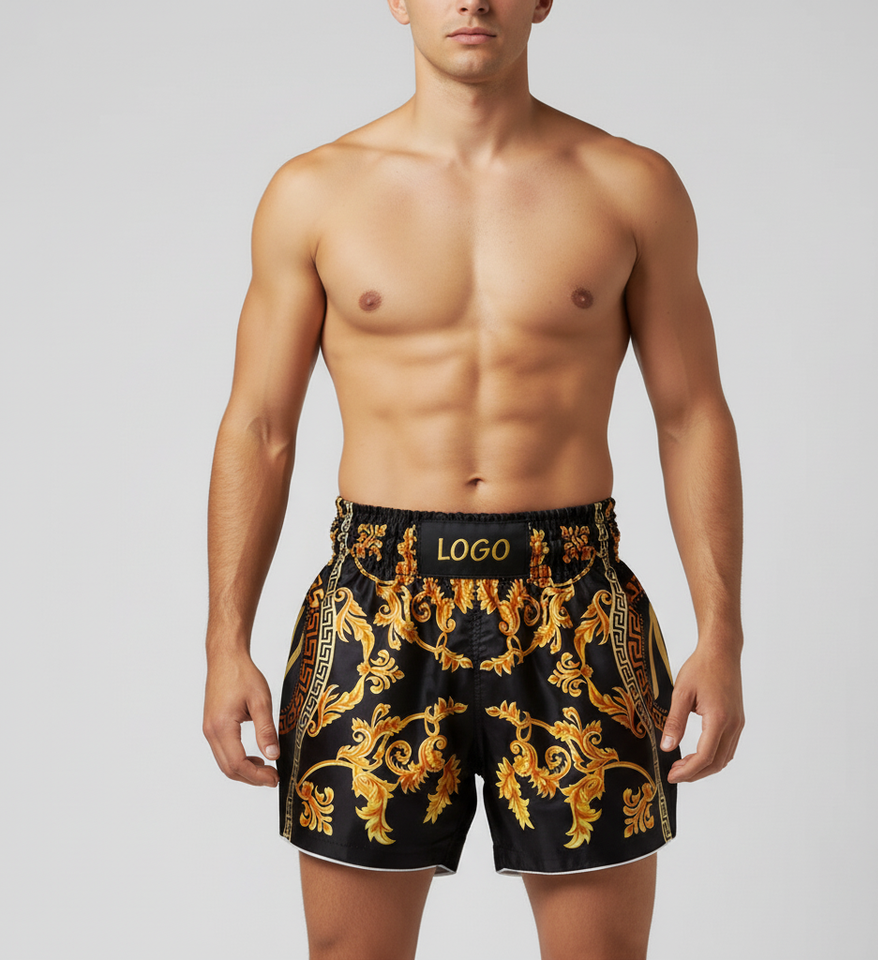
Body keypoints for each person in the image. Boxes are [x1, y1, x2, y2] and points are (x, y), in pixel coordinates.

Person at [202, 1, 745, 957]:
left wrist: (723, 632)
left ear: (542, 1)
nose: (473, 1)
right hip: (376, 599)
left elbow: (690, 414)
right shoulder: (316, 191)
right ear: (397, 1)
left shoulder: (629, 184)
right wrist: (224, 641)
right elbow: (261, 427)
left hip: (573, 595)